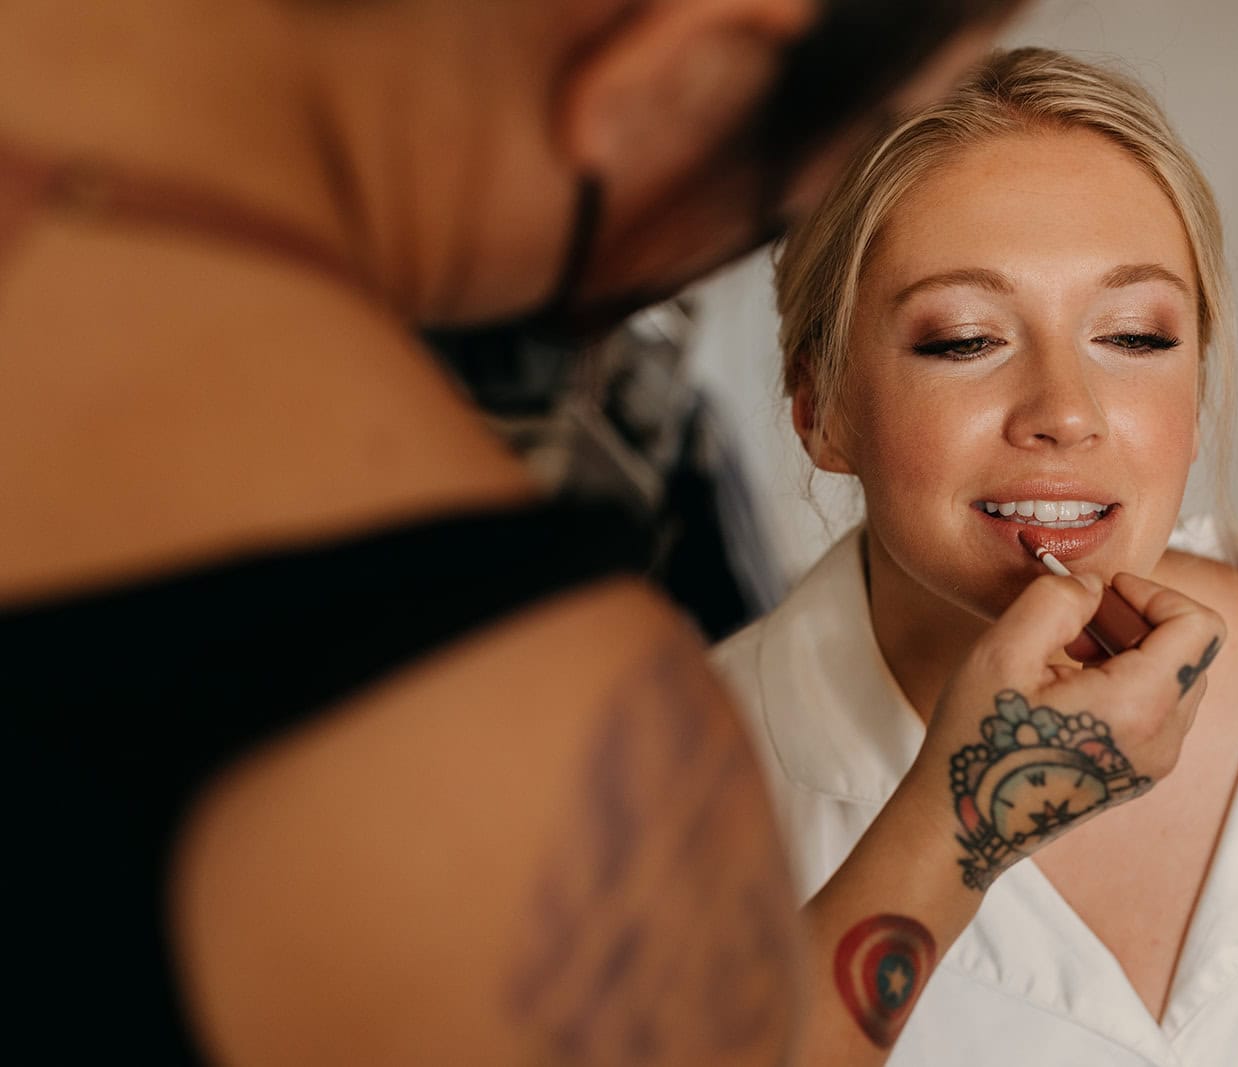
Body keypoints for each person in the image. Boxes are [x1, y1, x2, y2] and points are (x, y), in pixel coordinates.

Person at [0, 1, 1104, 1063]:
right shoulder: (527, 738)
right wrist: (968, 815)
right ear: (681, 65)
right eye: (855, 137)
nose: (1063, 411)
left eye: (1136, 332)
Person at [713, 48, 1238, 1065]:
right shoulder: (682, 791)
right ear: (821, 411)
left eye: (1136, 337)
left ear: (1195, 398)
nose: (1065, 411)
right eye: (966, 339)